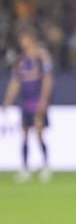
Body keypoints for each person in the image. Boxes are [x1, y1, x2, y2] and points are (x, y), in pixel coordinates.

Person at [4, 29, 54, 183]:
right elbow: (15, 82)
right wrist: (7, 101)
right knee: (24, 134)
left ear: (31, 39)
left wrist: (44, 99)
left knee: (39, 133)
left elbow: (48, 79)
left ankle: (45, 166)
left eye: (24, 38)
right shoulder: (21, 61)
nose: (22, 42)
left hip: (37, 100)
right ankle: (25, 168)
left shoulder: (42, 57)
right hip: (25, 101)